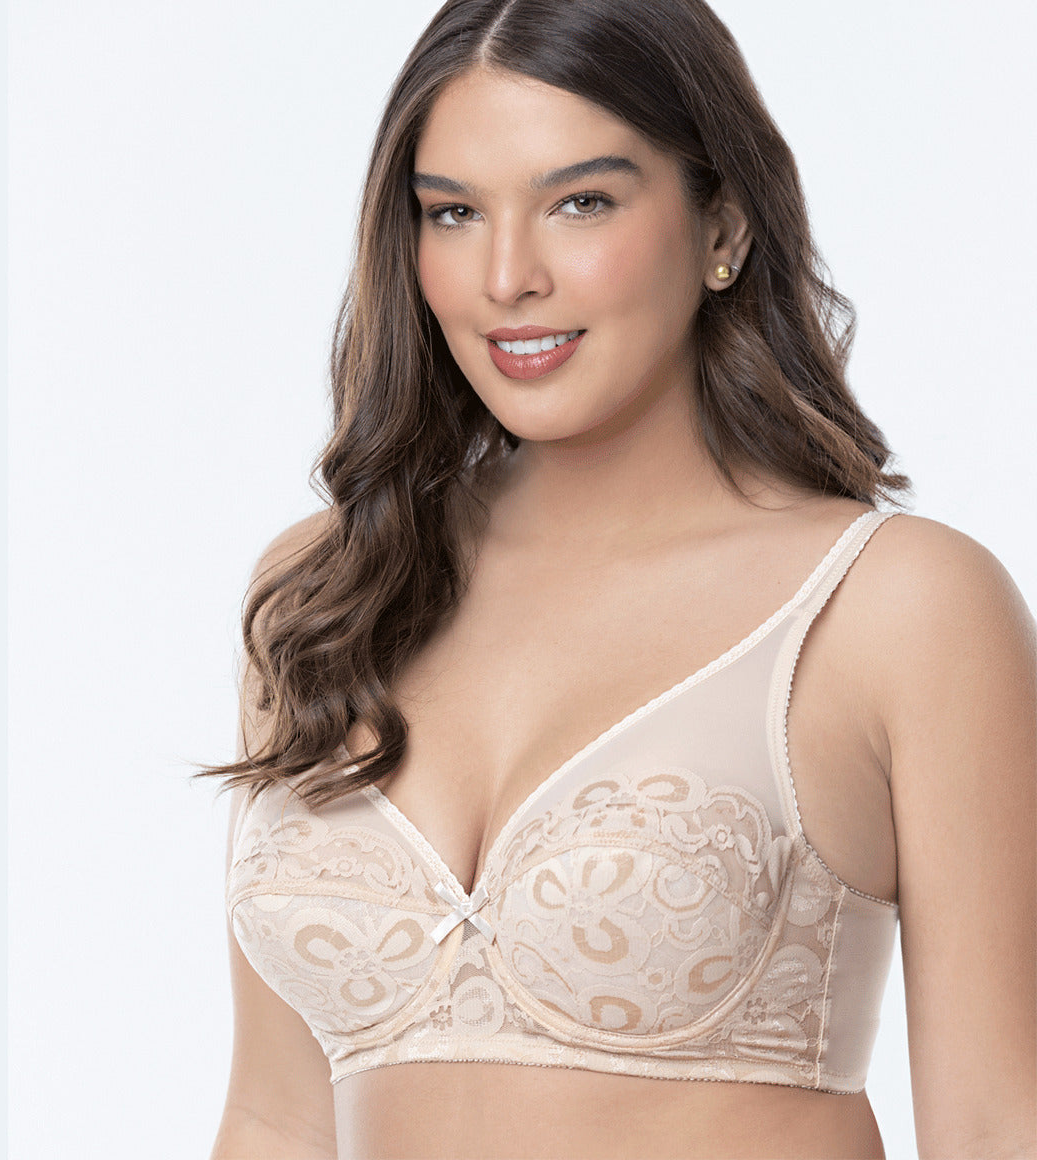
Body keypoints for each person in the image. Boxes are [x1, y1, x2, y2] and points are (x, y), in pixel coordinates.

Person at [202, 1, 1036, 1156]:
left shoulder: (894, 605)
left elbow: (997, 1124)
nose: (507, 276)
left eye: (579, 202)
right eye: (452, 212)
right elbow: (274, 1117)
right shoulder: (327, 595)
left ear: (721, 225)